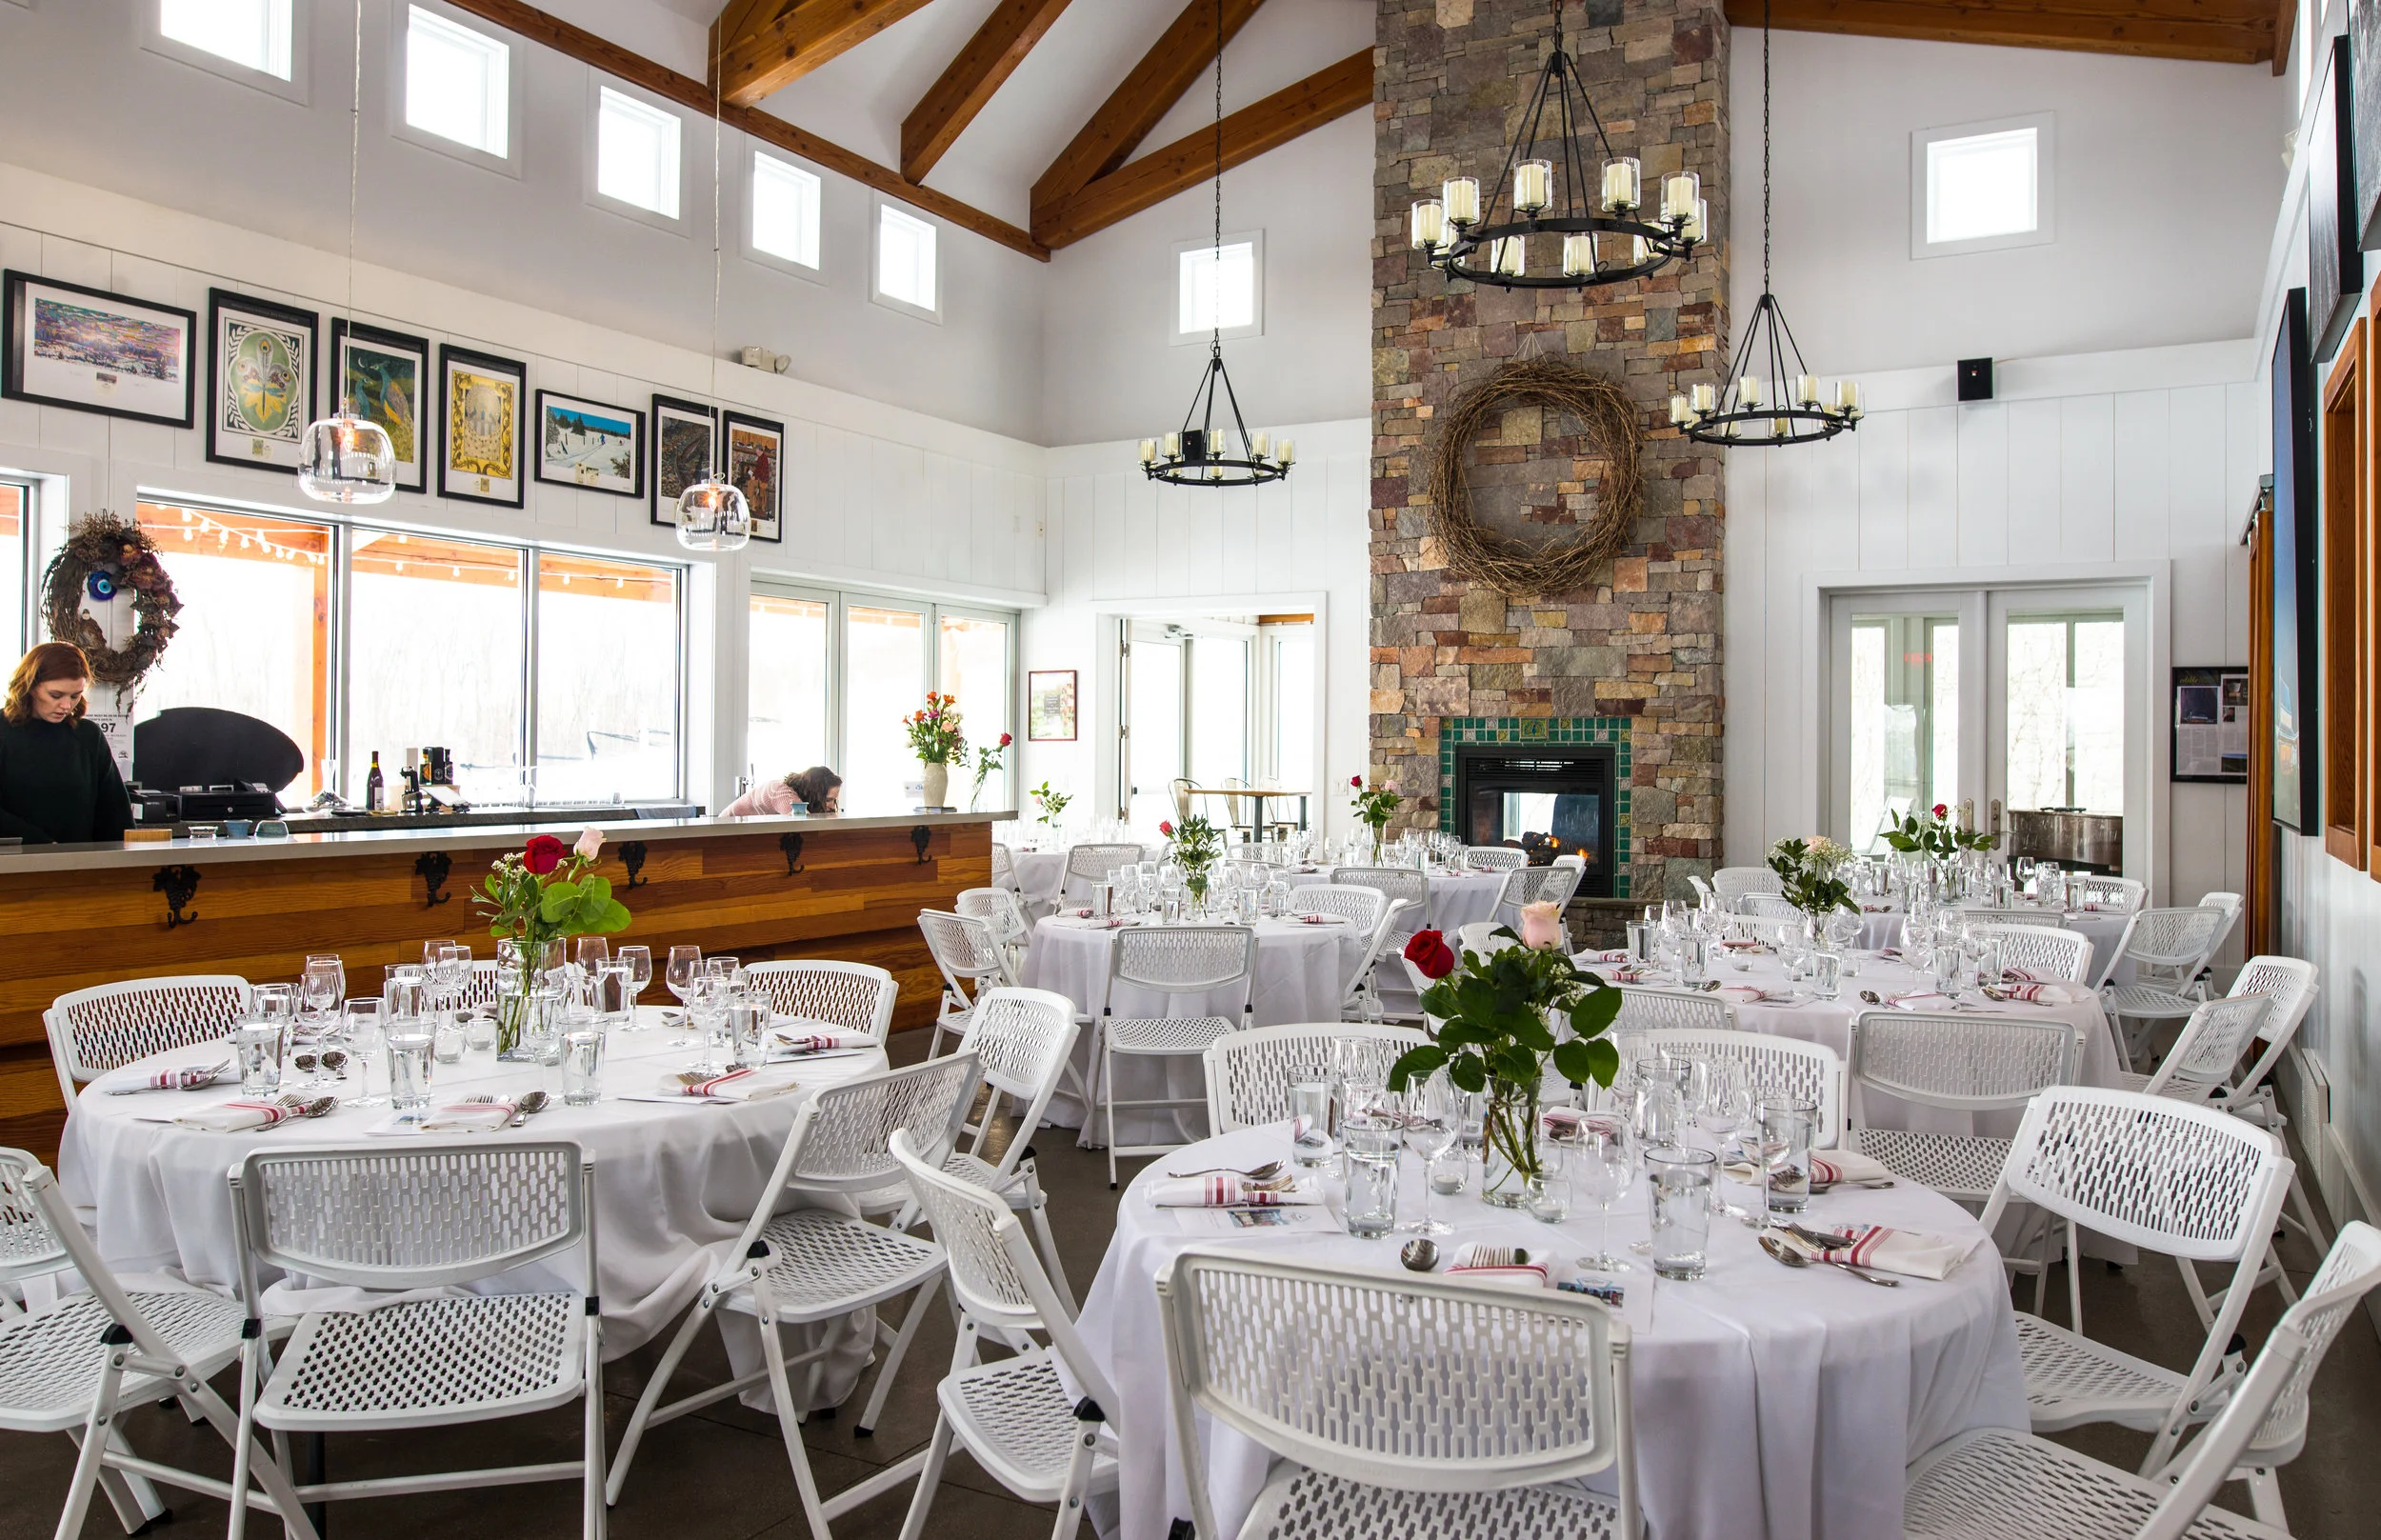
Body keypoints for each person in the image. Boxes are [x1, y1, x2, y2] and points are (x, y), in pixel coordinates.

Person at [0, 642, 131, 844]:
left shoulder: (88, 736)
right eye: (56, 695)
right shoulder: (4, 732)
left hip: (79, 860)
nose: (66, 705)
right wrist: (42, 844)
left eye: (75, 696)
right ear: (30, 687)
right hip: (16, 860)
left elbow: (115, 814)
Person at [722, 765, 841, 818]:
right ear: (813, 792)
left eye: (834, 800)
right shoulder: (782, 793)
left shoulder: (793, 791)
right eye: (828, 800)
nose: (831, 806)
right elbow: (803, 824)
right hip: (727, 828)